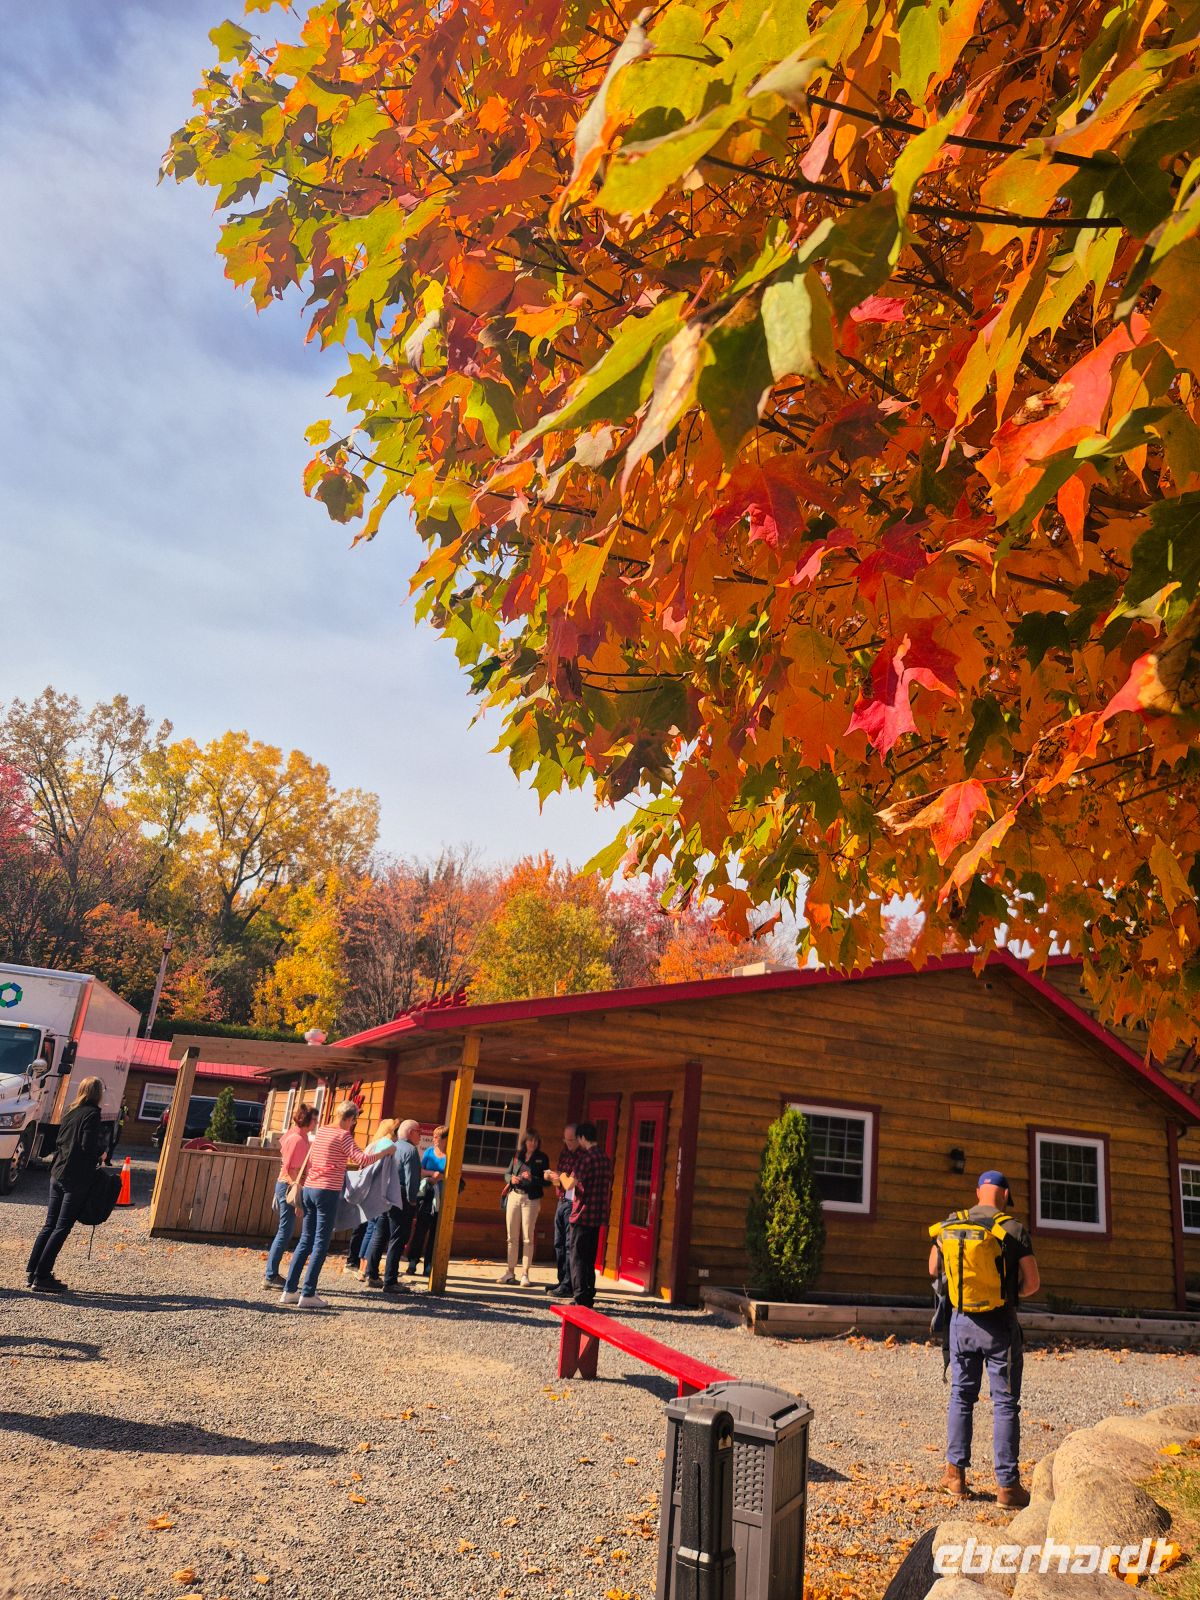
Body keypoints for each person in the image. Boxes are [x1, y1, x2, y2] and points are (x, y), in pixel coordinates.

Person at [928, 1169, 1041, 1507]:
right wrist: (1012, 1292)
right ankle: (1007, 1487)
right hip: (999, 1325)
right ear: (1005, 1195)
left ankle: (955, 1477)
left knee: (961, 1397)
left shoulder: (951, 1224)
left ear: (979, 1192)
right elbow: (1032, 1283)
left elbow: (933, 1269)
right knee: (1005, 1403)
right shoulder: (1013, 1230)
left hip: (960, 1322)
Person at [282, 1102, 393, 1310]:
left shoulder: (322, 1131)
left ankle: (289, 1290)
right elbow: (363, 1159)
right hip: (327, 1192)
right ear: (350, 1119)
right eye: (353, 1121)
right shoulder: (343, 1136)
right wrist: (386, 1151)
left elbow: (314, 1159)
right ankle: (308, 1293)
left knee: (305, 1240)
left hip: (309, 1189)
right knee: (321, 1243)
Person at [26, 1076, 105, 1293]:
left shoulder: (71, 1112)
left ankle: (32, 1271)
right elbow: (88, 1145)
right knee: (62, 1227)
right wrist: (101, 1153)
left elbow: (60, 1141)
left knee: (49, 1224)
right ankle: (42, 1277)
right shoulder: (92, 1114)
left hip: (57, 1172)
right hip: (76, 1177)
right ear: (97, 1093)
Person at [363, 1118, 422, 1293]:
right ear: (411, 1132)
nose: (421, 1135)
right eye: (419, 1131)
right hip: (401, 1197)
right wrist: (412, 1200)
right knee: (397, 1238)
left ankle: (371, 1274)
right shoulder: (411, 1151)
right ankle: (390, 1280)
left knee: (380, 1234)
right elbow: (412, 1179)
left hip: (385, 1194)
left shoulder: (392, 1146)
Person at [559, 1121, 612, 1308]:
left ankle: (580, 1296)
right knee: (590, 1257)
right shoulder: (605, 1158)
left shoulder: (586, 1158)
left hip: (582, 1213)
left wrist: (558, 1176)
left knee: (577, 1256)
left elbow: (569, 1185)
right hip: (597, 1214)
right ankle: (589, 1292)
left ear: (582, 1137)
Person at [264, 1102, 316, 1287]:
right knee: (285, 1231)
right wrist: (299, 1200)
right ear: (307, 1121)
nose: (316, 1123)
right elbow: (293, 1169)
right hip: (289, 1186)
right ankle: (270, 1275)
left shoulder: (294, 1135)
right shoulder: (298, 1139)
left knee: (284, 1231)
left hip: (285, 1185)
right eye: (314, 1119)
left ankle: (271, 1274)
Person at [344, 1118, 398, 1275]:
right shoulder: (385, 1146)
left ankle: (357, 1263)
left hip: (364, 1189)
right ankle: (361, 1264)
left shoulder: (373, 1144)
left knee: (364, 1227)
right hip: (373, 1189)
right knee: (370, 1228)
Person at [498, 1129, 550, 1287]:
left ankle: (525, 1274)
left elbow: (547, 1182)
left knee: (528, 1237)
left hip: (531, 1199)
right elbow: (506, 1174)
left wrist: (533, 1178)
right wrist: (511, 1179)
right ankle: (509, 1272)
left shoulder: (542, 1158)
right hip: (514, 1196)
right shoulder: (517, 1156)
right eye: (530, 1140)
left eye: (535, 1141)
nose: (533, 1143)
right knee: (511, 1237)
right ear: (525, 1141)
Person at [406, 1124, 448, 1277]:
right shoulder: (429, 1152)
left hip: (442, 1198)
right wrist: (433, 1174)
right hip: (427, 1195)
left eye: (437, 1137)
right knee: (420, 1230)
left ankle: (429, 1264)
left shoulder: (450, 1155)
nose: (434, 1139)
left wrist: (442, 1176)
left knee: (435, 1233)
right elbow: (420, 1170)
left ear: (445, 1139)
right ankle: (412, 1261)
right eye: (434, 1136)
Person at [548, 1123, 579, 1299]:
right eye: (565, 1140)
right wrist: (553, 1176)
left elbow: (570, 1181)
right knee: (558, 1243)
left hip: (572, 1202)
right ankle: (561, 1280)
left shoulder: (581, 1156)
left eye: (571, 1140)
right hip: (561, 1199)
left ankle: (568, 1284)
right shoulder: (565, 1152)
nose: (568, 1143)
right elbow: (561, 1179)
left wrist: (559, 1176)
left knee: (568, 1245)